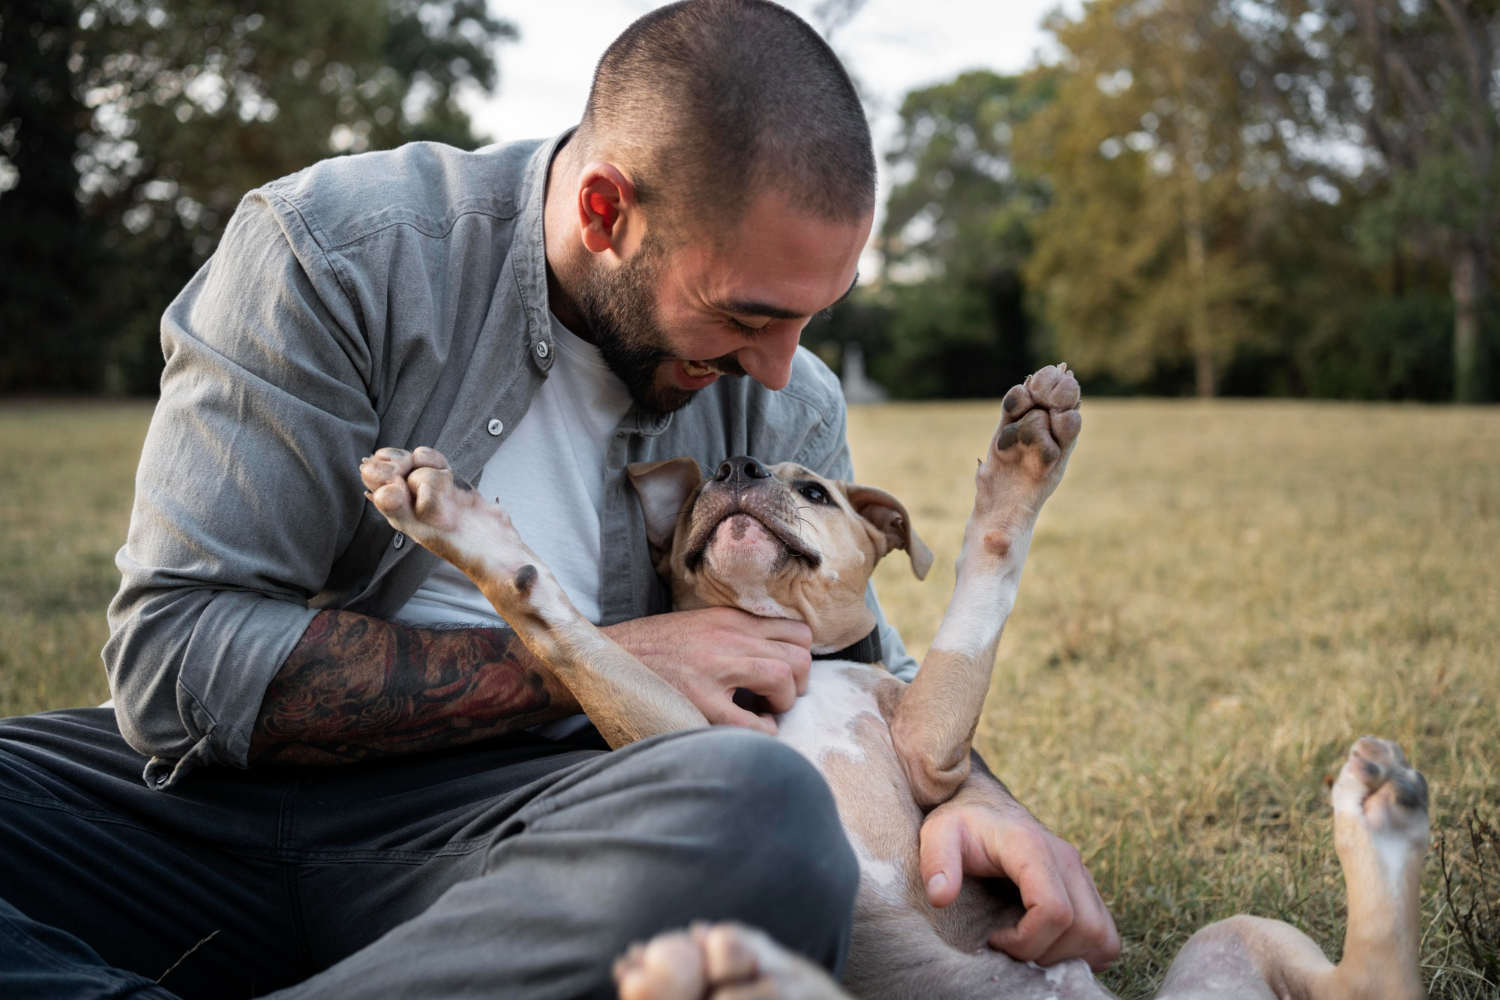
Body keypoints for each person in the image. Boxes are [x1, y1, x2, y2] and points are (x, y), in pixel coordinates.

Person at [0, 2, 1119, 997]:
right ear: (604, 211)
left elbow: (854, 668)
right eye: (744, 316)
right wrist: (596, 654)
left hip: (550, 835)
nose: (780, 371)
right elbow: (174, 662)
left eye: (810, 317)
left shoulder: (784, 405)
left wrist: (983, 810)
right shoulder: (337, 255)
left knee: (756, 819)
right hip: (210, 810)